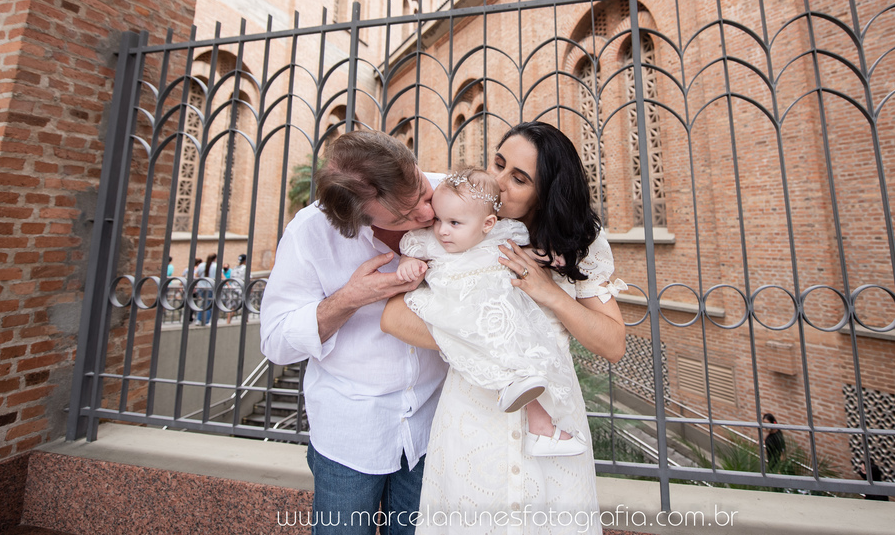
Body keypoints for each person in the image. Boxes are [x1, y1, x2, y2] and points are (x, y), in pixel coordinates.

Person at [383, 121, 627, 535]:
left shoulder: (577, 242)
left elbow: (613, 344)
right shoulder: (455, 222)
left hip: (553, 418)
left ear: (545, 191)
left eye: (518, 178)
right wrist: (489, 344)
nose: (498, 181)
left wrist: (549, 293)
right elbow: (395, 317)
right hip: (472, 416)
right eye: (498, 163)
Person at [260, 131, 447, 535]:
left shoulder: (452, 195)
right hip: (350, 436)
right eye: (404, 217)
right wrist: (348, 299)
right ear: (358, 218)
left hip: (435, 429)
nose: (428, 216)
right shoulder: (310, 232)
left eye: (424, 192)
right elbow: (275, 342)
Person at [396, 168, 584, 457]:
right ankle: (518, 399)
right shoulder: (430, 241)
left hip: (498, 310)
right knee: (492, 348)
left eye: (455, 222)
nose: (442, 230)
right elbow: (411, 249)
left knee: (528, 354)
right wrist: (407, 263)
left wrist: (544, 257)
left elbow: (524, 252)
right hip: (455, 307)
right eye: (439, 219)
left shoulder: (500, 234)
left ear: (488, 223)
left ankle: (541, 428)